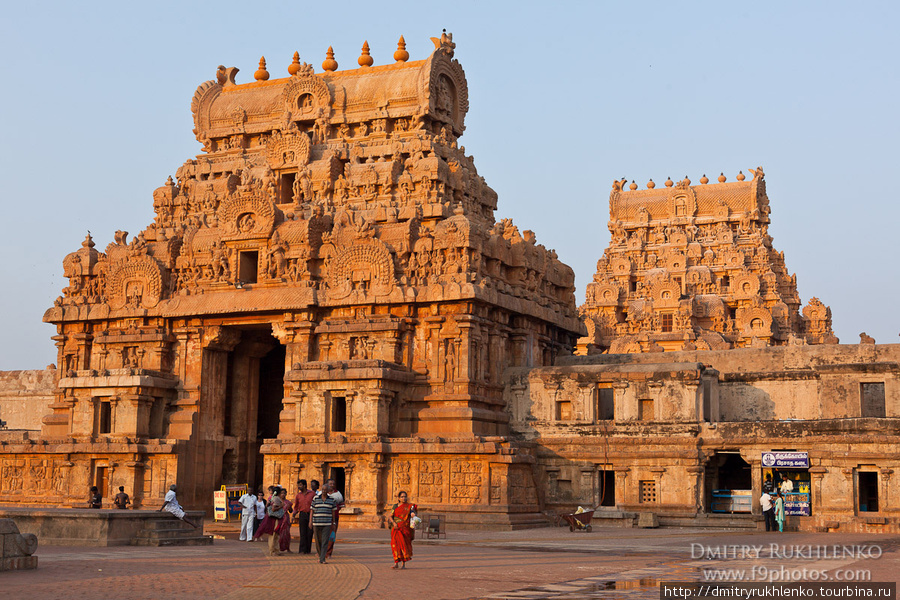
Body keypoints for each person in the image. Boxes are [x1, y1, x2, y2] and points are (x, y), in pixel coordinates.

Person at [310, 483, 337, 564]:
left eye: (326, 490)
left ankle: (322, 559)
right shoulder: (316, 498)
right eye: (323, 490)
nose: (324, 491)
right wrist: (310, 521)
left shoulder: (332, 499)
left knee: (325, 541)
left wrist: (334, 522)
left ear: (328, 491)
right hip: (316, 522)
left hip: (327, 523)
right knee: (318, 541)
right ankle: (320, 554)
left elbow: (333, 511)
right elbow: (312, 510)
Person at [389, 490, 417, 569]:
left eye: (405, 497)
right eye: (402, 497)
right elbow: (390, 516)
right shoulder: (395, 506)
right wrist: (394, 523)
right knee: (395, 545)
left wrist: (412, 514)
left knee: (403, 545)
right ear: (399, 498)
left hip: (404, 528)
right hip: (396, 528)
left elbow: (412, 513)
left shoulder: (409, 506)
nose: (403, 498)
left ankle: (403, 564)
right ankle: (396, 563)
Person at [323, 478, 345, 558]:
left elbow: (342, 505)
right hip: (323, 517)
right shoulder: (321, 494)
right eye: (330, 483)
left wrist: (336, 508)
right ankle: (321, 551)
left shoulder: (337, 494)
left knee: (332, 535)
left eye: (333, 484)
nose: (332, 485)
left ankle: (328, 552)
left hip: (334, 517)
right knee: (322, 535)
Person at [293, 479, 314, 554]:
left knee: (310, 532)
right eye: (298, 485)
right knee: (302, 532)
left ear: (305, 486)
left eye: (300, 485)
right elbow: (296, 506)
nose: (299, 487)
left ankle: (308, 549)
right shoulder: (298, 495)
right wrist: (293, 515)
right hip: (302, 514)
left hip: (311, 515)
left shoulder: (312, 494)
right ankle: (302, 549)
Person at [277, 488, 293, 552]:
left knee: (286, 534)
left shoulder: (288, 502)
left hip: (286, 518)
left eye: (284, 493)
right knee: (279, 533)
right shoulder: (278, 501)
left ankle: (287, 547)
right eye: (281, 493)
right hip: (279, 518)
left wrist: (290, 507)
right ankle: (278, 547)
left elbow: (291, 510)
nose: (283, 495)